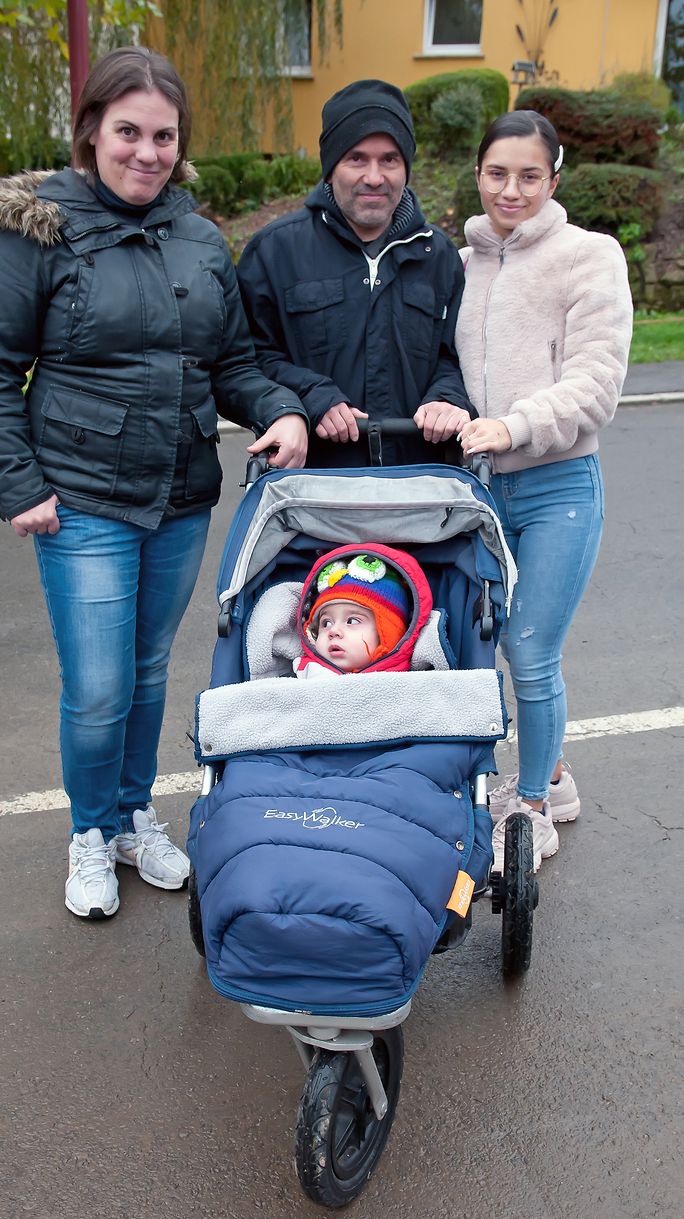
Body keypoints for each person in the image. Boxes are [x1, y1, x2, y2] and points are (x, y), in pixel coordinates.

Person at [0, 46, 308, 920]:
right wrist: (19, 484)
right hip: (78, 499)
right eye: (128, 132)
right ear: (90, 134)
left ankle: (129, 816)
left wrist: (280, 408)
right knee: (100, 684)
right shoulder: (38, 229)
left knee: (149, 669)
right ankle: (88, 830)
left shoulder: (195, 234)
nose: (147, 153)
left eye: (164, 136)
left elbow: (229, 360)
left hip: (179, 492)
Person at [455, 110, 633, 872]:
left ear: (554, 179)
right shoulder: (461, 262)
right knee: (483, 641)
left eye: (531, 175)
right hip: (482, 489)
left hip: (559, 483)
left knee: (529, 649)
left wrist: (511, 424)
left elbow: (597, 385)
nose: (513, 189)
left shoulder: (588, 256)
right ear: (479, 175)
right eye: (499, 173)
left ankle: (528, 809)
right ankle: (553, 776)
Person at [237, 79, 475, 468]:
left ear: (406, 168)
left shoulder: (439, 257)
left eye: (390, 160)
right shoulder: (275, 253)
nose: (374, 177)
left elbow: (457, 356)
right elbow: (248, 358)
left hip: (419, 486)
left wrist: (447, 397)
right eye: (357, 159)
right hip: (309, 486)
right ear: (331, 168)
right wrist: (312, 397)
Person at [294, 546, 431, 677]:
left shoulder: (409, 684)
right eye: (326, 623)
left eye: (352, 621)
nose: (333, 631)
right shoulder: (302, 675)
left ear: (389, 634)